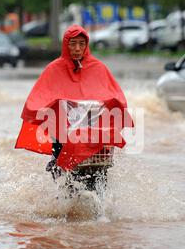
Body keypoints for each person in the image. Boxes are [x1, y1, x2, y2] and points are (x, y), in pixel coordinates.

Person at [15, 25, 133, 192]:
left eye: (81, 44)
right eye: (73, 44)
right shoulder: (54, 69)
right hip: (62, 134)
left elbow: (116, 96)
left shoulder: (98, 68)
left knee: (99, 181)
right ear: (66, 44)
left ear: (86, 45)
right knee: (64, 178)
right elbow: (38, 99)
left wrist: (110, 105)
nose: (77, 48)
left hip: (94, 138)